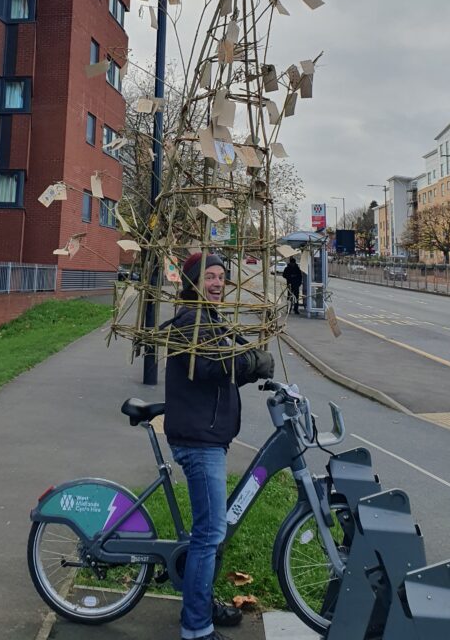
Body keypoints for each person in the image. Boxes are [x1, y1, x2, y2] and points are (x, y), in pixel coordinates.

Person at [163, 252, 275, 640]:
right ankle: (196, 627)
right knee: (209, 533)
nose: (216, 282)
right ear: (193, 282)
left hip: (208, 436)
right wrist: (252, 363)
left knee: (211, 533)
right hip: (198, 440)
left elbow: (224, 368)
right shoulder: (190, 319)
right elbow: (210, 366)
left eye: (221, 276)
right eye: (208, 276)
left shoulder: (210, 318)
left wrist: (251, 364)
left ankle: (200, 599)